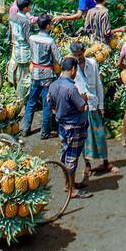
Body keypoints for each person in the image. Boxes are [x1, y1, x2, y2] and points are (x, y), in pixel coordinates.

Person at [47, 56, 94, 199]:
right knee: (72, 159)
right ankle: (71, 189)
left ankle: (69, 184)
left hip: (62, 126)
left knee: (66, 155)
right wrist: (84, 99)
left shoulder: (53, 85)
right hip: (74, 127)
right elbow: (80, 107)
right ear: (73, 69)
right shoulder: (71, 88)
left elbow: (51, 104)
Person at [70, 40, 114, 178]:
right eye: (75, 55)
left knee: (100, 134)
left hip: (94, 104)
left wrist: (101, 106)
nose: (78, 57)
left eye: (80, 54)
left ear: (84, 52)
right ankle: (88, 165)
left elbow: (99, 85)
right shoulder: (71, 67)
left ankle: (105, 162)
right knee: (84, 138)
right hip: (81, 107)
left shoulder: (92, 63)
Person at [23, 16, 62, 138]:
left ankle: (25, 129)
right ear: (47, 26)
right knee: (47, 104)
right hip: (47, 76)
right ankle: (45, 132)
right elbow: (59, 59)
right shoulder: (50, 41)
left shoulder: (32, 38)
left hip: (35, 73)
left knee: (31, 102)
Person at [6, 0, 36, 96]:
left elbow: (11, 32)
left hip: (16, 48)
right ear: (26, 8)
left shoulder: (13, 17)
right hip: (24, 51)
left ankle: (17, 93)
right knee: (24, 76)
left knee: (18, 73)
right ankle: (21, 98)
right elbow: (28, 38)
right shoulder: (25, 21)